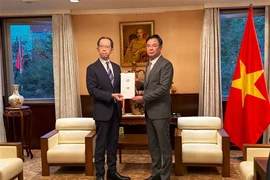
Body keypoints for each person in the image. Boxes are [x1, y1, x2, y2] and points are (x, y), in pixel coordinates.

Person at [86, 37, 131, 180]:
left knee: (113, 143)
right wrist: (111, 95)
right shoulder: (92, 68)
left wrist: (131, 86)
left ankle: (112, 173)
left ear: (112, 50)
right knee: (101, 145)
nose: (104, 49)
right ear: (97, 49)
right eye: (101, 46)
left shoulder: (117, 68)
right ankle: (100, 175)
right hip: (102, 111)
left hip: (116, 112)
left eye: (107, 47)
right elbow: (92, 90)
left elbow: (121, 88)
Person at [132, 34, 174, 180]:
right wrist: (140, 85)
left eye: (154, 45)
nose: (151, 48)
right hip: (150, 112)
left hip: (161, 111)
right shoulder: (149, 64)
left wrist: (142, 98)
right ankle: (155, 174)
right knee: (153, 145)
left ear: (160, 48)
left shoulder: (166, 64)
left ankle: (165, 176)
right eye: (148, 45)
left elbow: (163, 88)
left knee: (164, 146)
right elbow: (151, 86)